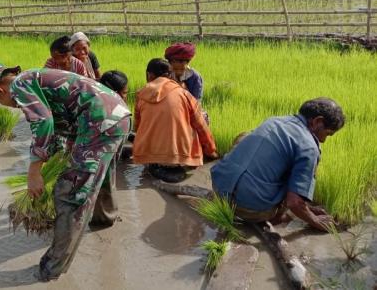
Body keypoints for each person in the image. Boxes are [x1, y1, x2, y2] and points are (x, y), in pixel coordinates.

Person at [0, 64, 131, 281]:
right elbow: (65, 115)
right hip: (118, 117)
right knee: (101, 173)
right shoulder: (35, 79)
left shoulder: (19, 86)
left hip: (99, 122)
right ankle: (104, 219)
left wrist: (34, 171)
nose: (6, 105)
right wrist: (61, 154)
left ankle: (51, 268)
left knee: (69, 193)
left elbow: (43, 121)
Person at [210, 98, 345, 231]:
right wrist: (315, 221)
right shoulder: (309, 147)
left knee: (246, 138)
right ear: (317, 122)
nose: (324, 140)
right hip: (248, 209)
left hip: (219, 190)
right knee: (294, 182)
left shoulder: (274, 120)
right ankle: (276, 218)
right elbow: (294, 202)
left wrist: (307, 208)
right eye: (327, 133)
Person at [133, 58, 217, 183]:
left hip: (149, 156)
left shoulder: (141, 96)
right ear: (170, 74)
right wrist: (212, 152)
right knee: (201, 117)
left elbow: (137, 128)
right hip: (181, 157)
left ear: (149, 75)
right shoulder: (183, 94)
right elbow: (201, 126)